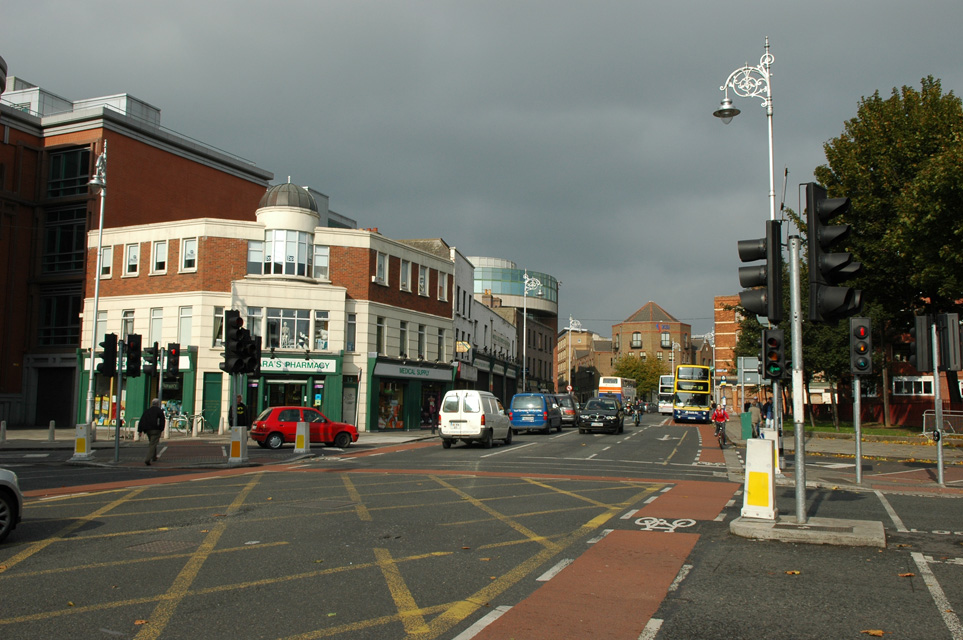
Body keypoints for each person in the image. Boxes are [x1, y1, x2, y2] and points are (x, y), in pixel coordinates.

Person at [138, 398, 166, 465]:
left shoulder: (147, 411)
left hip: (148, 430)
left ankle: (154, 457)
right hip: (156, 429)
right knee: (153, 444)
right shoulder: (159, 411)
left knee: (152, 442)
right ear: (158, 404)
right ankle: (148, 459)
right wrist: (161, 429)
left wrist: (140, 430)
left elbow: (142, 420)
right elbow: (162, 421)